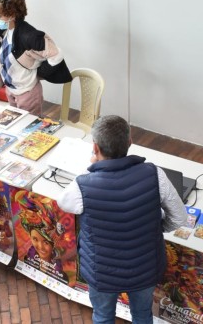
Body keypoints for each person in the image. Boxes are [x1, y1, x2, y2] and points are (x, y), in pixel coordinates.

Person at [57, 115, 187, 324]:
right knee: (143, 315)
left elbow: (63, 202)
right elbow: (180, 217)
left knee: (102, 316)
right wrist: (157, 227)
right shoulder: (155, 174)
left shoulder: (81, 185)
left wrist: (92, 168)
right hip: (145, 268)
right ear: (130, 143)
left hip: (102, 272)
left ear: (95, 148)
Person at [0, 0, 71, 116]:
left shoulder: (30, 36)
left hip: (27, 92)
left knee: (27, 128)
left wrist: (40, 73)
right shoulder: (5, 31)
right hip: (11, 89)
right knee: (14, 123)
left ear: (12, 15)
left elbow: (57, 55)